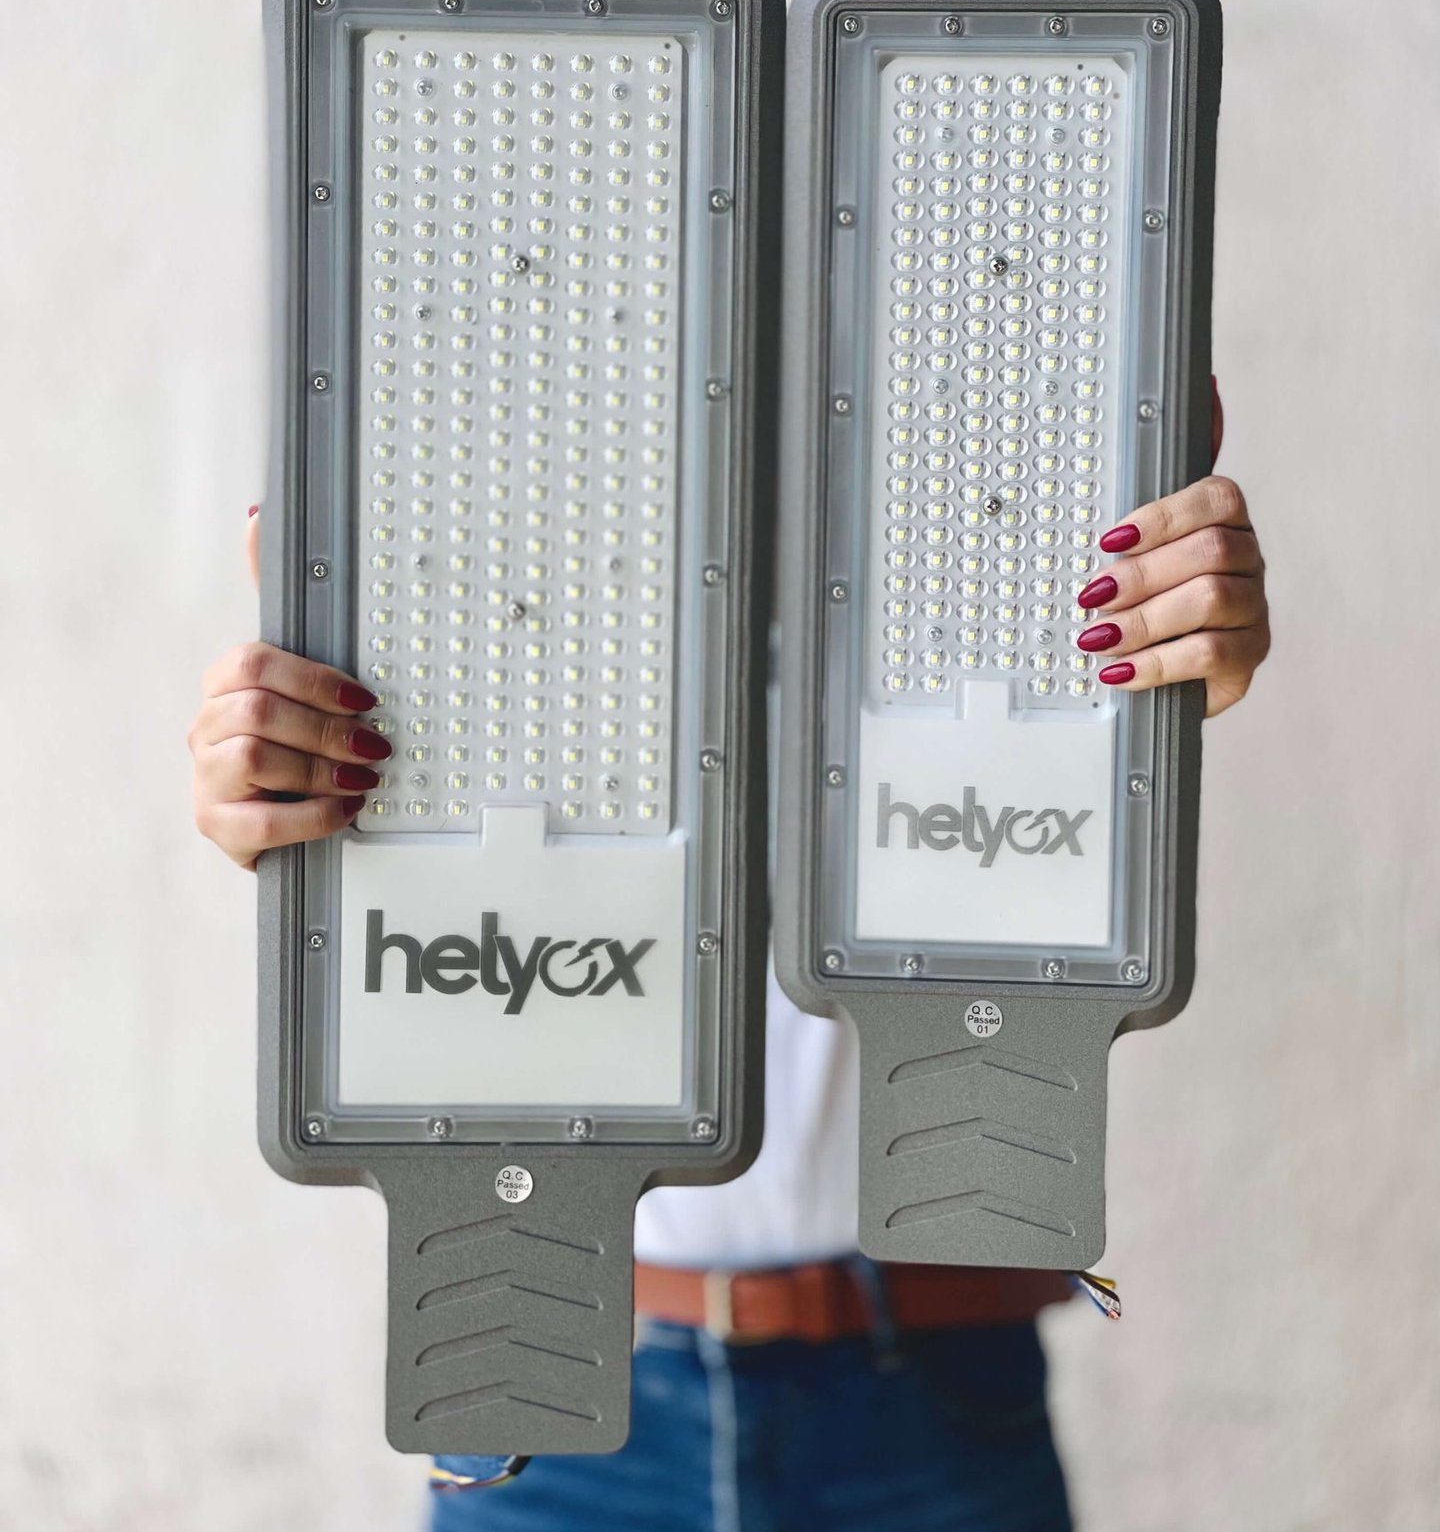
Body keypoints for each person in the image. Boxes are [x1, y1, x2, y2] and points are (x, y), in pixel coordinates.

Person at [190, 381, 1269, 1531]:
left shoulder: (980, 477)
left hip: (932, 1388)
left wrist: (1160, 676)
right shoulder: (472, 514)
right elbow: (403, 897)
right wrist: (293, 792)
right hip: (540, 1364)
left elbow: (1074, 817)